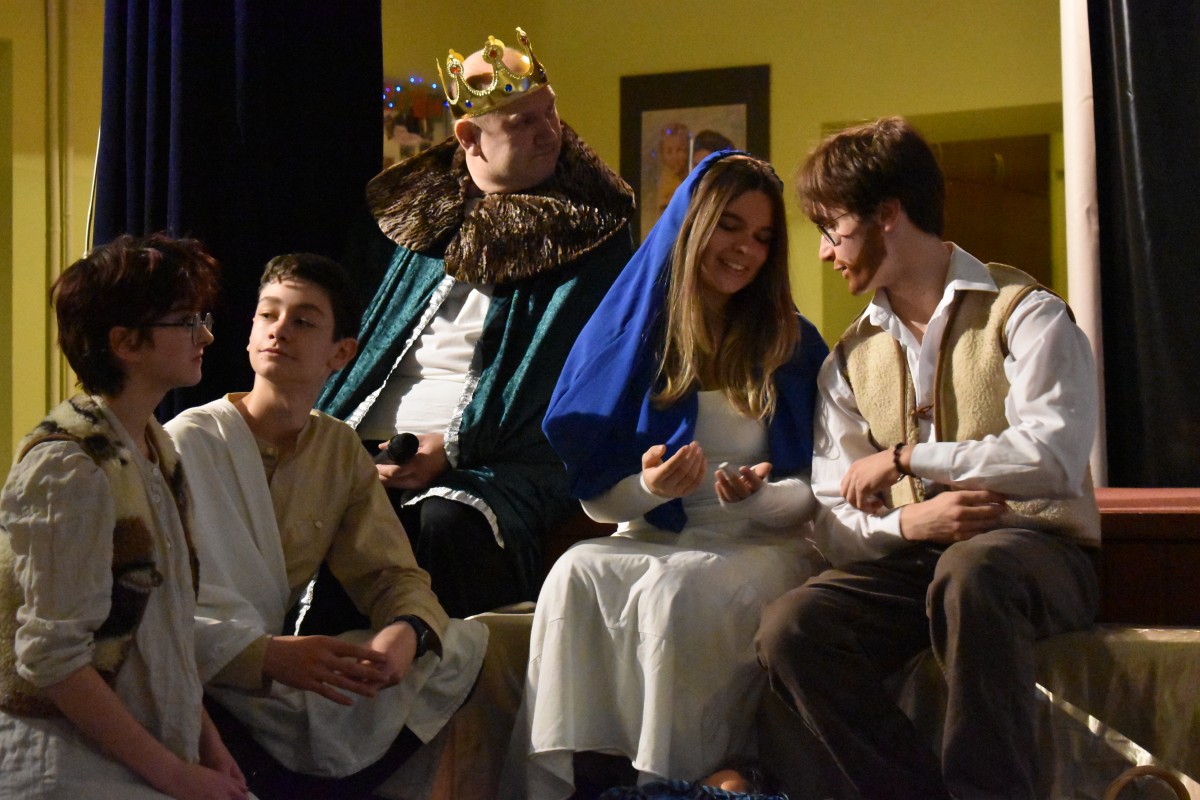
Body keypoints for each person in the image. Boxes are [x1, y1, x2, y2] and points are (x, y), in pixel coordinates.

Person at [754, 117, 1101, 800]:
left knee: (972, 573)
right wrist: (910, 523)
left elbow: (1054, 455)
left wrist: (910, 457)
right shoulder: (848, 360)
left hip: (1041, 553)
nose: (824, 252)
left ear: (887, 214)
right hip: (923, 564)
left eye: (832, 228)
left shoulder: (1025, 313)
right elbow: (833, 514)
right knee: (792, 628)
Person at [504, 153, 830, 800]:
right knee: (574, 571)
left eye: (762, 237)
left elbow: (817, 491)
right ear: (691, 224)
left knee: (678, 591)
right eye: (729, 226)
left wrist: (758, 498)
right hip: (651, 533)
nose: (745, 250)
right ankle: (571, 782)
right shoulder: (634, 340)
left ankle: (677, 785)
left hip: (760, 540)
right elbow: (598, 502)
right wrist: (652, 488)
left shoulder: (789, 342)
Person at [317, 26, 635, 619]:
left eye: (550, 112)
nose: (549, 131)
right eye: (523, 122)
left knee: (444, 521)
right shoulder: (410, 214)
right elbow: (353, 348)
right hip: (368, 442)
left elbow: (567, 377)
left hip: (505, 456)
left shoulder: (593, 226)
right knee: (312, 506)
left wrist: (456, 447)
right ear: (469, 137)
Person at [164, 254, 488, 799]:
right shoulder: (189, 440)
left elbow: (390, 574)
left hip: (275, 670)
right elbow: (161, 607)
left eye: (303, 321)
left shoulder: (338, 450)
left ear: (341, 353)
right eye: (268, 315)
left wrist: (405, 631)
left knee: (460, 647)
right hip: (198, 669)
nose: (278, 331)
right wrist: (264, 655)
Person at [0, 235, 250, 799]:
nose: (206, 336)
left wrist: (208, 745)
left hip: (142, 754)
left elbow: (161, 630)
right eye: (186, 321)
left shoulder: (153, 448)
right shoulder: (69, 468)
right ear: (126, 343)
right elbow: (52, 659)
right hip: (66, 766)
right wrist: (175, 775)